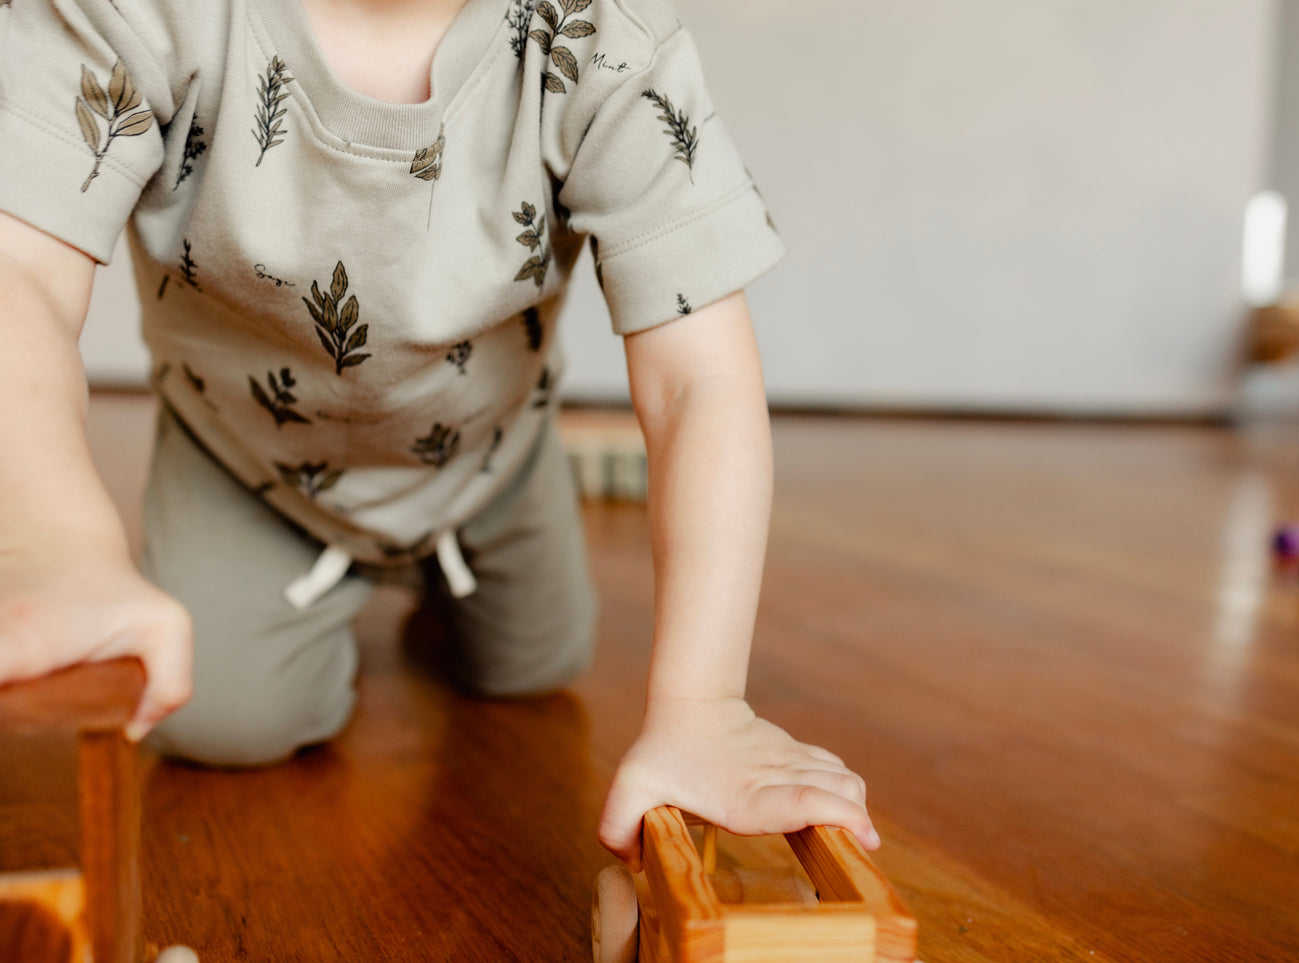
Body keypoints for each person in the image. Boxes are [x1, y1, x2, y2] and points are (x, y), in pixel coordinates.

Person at [0, 0, 877, 869]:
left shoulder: (604, 40)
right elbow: (18, 277)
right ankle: (313, 596)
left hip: (486, 451)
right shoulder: (127, 14)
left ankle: (451, 560)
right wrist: (56, 548)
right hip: (246, 461)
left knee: (536, 661)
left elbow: (700, 379)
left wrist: (703, 703)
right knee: (216, 721)